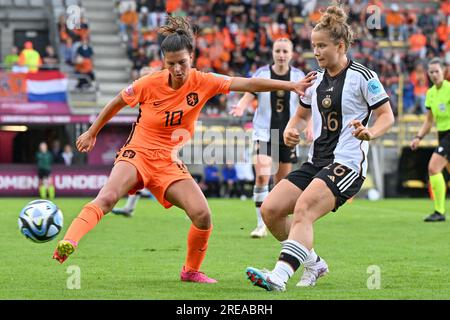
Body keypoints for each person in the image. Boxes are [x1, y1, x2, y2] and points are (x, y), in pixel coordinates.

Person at [52, 15, 316, 284]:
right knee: (108, 198)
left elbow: (248, 83)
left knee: (202, 215)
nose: (177, 69)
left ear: (192, 56)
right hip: (138, 154)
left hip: (168, 161)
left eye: (182, 62)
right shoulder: (148, 83)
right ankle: (69, 241)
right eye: (171, 64)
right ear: (163, 63)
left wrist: (292, 86)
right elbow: (116, 103)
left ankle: (190, 272)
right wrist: (92, 131)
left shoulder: (204, 81)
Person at [245, 3, 394, 291]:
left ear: (340, 46)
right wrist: (291, 130)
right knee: (271, 210)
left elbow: (387, 115)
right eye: (313, 46)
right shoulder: (314, 81)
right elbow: (300, 115)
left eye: (322, 46)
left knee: (303, 210)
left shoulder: (364, 76)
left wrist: (370, 132)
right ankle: (314, 264)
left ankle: (279, 276)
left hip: (347, 164)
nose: (316, 52)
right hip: (316, 163)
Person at [230, 38, 311, 238]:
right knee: (262, 176)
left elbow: (308, 103)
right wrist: (241, 105)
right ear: (273, 53)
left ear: (291, 54)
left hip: (288, 135)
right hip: (264, 132)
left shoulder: (298, 76)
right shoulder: (263, 73)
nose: (281, 54)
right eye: (278, 51)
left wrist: (309, 126)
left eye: (285, 51)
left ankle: (276, 221)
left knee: (281, 183)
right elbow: (250, 91)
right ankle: (260, 224)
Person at [410, 58, 450, 222]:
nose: (434, 74)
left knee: (433, 167)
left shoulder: (449, 89)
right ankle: (439, 211)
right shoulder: (430, 93)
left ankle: (439, 212)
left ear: (443, 72)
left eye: (437, 71)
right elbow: (429, 121)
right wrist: (418, 137)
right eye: (431, 72)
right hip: (442, 135)